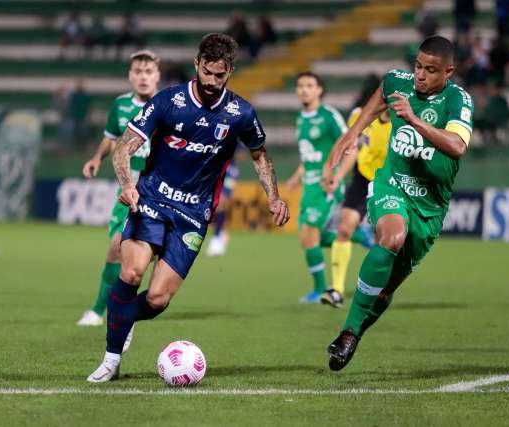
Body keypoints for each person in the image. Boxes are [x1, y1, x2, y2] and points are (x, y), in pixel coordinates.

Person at [87, 33, 289, 382]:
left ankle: (123, 318)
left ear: (230, 72)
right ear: (197, 64)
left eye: (219, 76)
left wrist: (273, 196)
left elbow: (260, 156)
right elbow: (123, 147)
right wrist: (128, 186)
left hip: (193, 215)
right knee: (132, 271)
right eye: (207, 72)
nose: (211, 82)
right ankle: (111, 357)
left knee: (158, 298)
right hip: (152, 199)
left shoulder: (241, 112)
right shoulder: (168, 101)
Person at [324, 36, 473, 371]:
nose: (420, 75)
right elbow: (380, 95)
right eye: (418, 66)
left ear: (448, 71)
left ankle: (356, 332)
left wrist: (414, 120)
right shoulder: (399, 81)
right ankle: (347, 331)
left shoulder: (457, 101)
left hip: (430, 207)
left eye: (430, 70)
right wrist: (351, 135)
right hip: (392, 183)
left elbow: (456, 145)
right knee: (391, 237)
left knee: (385, 289)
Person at [77, 50, 161, 328]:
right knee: (115, 250)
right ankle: (102, 309)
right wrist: (95, 158)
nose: (143, 76)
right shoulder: (121, 105)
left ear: (157, 76)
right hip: (128, 189)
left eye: (148, 71)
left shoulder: (169, 104)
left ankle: (134, 308)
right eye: (138, 71)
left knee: (152, 257)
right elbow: (110, 138)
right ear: (130, 76)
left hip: (160, 189)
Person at [285, 72, 370, 304]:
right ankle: (357, 234)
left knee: (310, 235)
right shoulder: (301, 118)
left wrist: (337, 175)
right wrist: (296, 177)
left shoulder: (328, 116)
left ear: (319, 90)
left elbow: (350, 146)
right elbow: (308, 156)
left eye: (310, 85)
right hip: (309, 186)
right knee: (307, 238)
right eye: (300, 85)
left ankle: (321, 290)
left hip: (326, 185)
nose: (304, 89)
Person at [320, 75, 392, 308]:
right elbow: (352, 149)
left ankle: (380, 289)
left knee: (385, 239)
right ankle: (337, 290)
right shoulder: (361, 116)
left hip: (390, 181)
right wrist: (338, 176)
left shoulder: (403, 122)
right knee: (344, 228)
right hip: (363, 178)